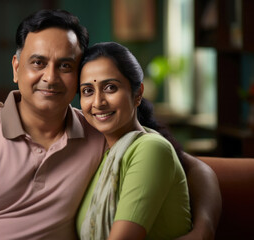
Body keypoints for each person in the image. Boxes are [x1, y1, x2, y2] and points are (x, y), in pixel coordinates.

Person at [0, 9, 221, 240]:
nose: (50, 77)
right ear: (16, 68)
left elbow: (192, 166)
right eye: (38, 63)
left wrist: (204, 227)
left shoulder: (97, 132)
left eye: (65, 66)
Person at [75, 41, 190, 239]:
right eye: (88, 91)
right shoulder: (102, 153)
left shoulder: (151, 148)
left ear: (137, 94)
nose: (98, 102)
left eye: (110, 87)